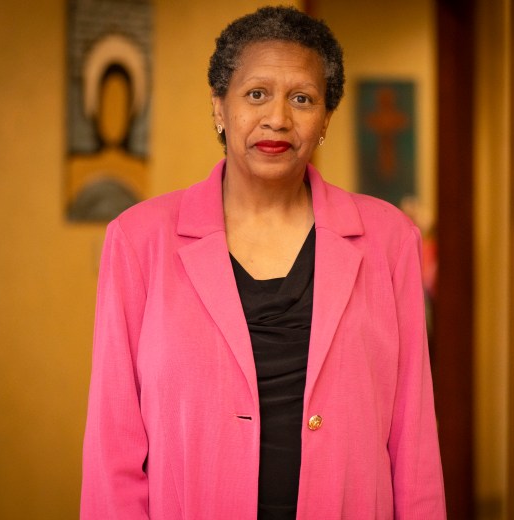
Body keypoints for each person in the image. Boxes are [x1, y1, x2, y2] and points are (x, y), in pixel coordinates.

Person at [81, 6, 446, 519]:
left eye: (302, 98)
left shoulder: (389, 240)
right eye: (256, 94)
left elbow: (414, 441)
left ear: (325, 120)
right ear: (219, 107)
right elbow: (112, 451)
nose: (278, 117)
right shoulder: (138, 241)